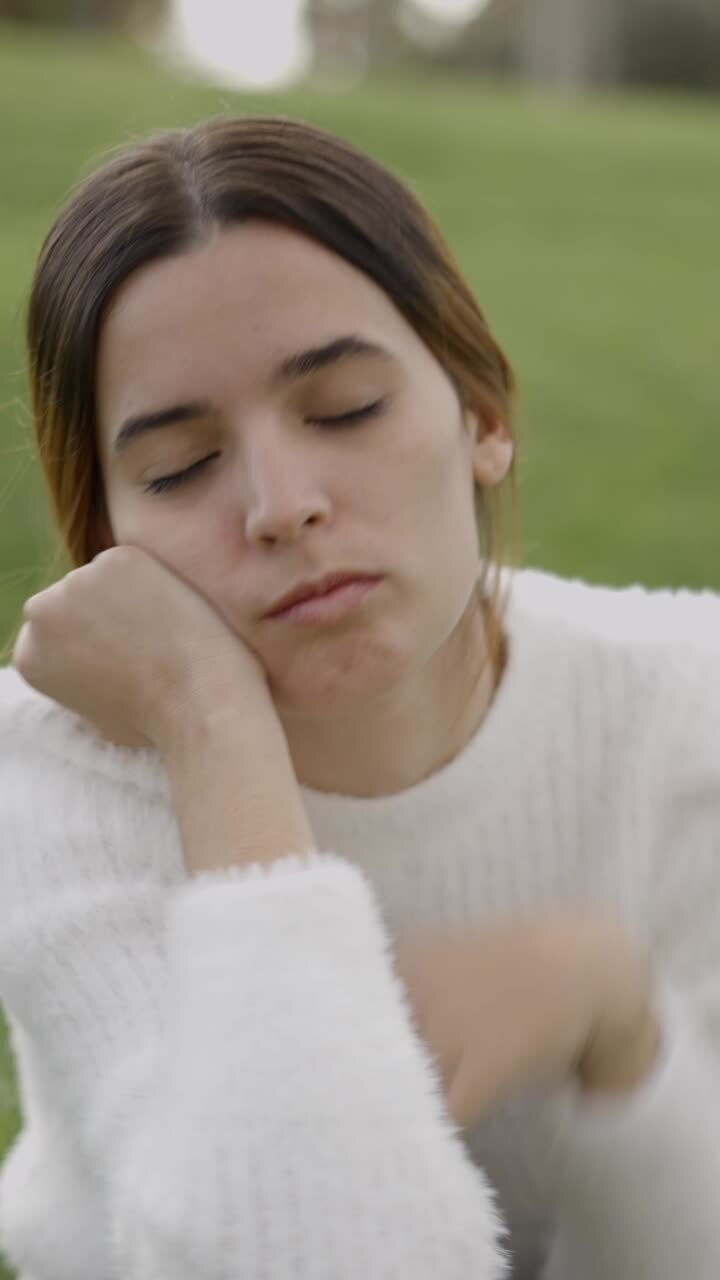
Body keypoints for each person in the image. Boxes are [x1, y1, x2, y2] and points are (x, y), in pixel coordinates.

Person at [0, 115, 718, 1280]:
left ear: (483, 419)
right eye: (180, 467)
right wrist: (209, 725)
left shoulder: (691, 709)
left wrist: (617, 1018)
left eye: (343, 409)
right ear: (107, 539)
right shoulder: (47, 770)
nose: (280, 502)